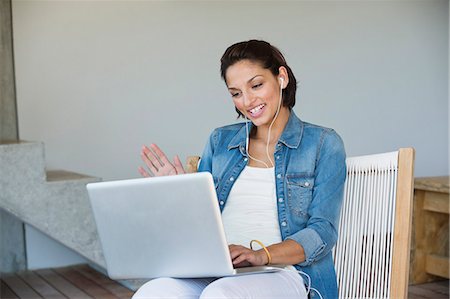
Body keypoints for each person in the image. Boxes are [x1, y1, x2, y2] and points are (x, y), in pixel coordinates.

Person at [135, 40, 346, 299]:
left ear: (281, 77)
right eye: (236, 93)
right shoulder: (220, 141)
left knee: (220, 295)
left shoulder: (323, 143)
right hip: (218, 269)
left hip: (285, 273)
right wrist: (180, 194)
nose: (247, 101)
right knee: (154, 292)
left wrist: (260, 254)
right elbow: (203, 223)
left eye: (256, 85)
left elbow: (322, 231)